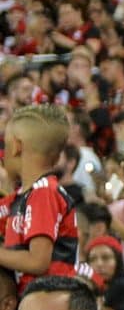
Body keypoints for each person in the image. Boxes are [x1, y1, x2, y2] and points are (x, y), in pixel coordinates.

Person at [1, 105, 79, 290]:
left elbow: (38, 261)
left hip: (49, 303)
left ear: (17, 147)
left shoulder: (44, 193)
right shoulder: (22, 196)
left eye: (5, 145)